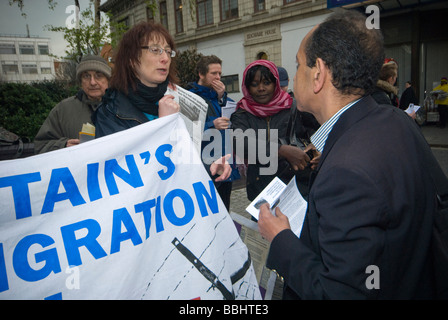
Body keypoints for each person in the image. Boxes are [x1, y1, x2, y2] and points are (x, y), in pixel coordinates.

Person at [258, 10, 437, 299]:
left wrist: (281, 240)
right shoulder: (396, 120)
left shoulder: (345, 173)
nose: (294, 77)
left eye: (298, 65)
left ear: (318, 73)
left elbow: (339, 293)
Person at [93, 22, 231, 182]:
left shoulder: (178, 101)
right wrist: (164, 124)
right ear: (132, 58)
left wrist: (210, 167)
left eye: (167, 51)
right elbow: (123, 180)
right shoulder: (109, 112)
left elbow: (184, 159)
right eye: (155, 50)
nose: (165, 58)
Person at [230, 60, 312, 202]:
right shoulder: (242, 113)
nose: (261, 88)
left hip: (296, 184)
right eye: (254, 84)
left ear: (275, 84)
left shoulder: (294, 106)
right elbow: (240, 143)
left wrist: (315, 148)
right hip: (261, 189)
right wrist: (281, 150)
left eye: (266, 83)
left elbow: (318, 129)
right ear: (247, 87)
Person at [186, 55, 240, 210]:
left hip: (225, 163)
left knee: (225, 209)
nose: (218, 78)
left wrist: (222, 97)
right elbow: (188, 131)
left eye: (220, 74)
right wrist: (211, 125)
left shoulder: (219, 96)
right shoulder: (191, 97)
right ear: (201, 74)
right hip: (205, 165)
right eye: (213, 73)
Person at [34, 54, 111, 154]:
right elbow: (40, 147)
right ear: (80, 81)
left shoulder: (121, 107)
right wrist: (63, 146)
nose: (92, 82)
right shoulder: (63, 110)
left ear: (108, 80)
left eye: (98, 75)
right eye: (86, 76)